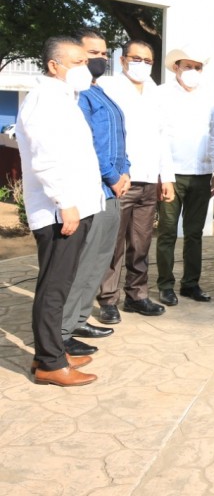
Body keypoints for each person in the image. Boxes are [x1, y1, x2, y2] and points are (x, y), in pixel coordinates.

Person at [16, 36, 104, 386]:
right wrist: (65, 204)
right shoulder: (43, 100)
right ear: (55, 65)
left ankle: (49, 352)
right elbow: (45, 159)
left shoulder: (65, 98)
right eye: (78, 61)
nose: (86, 68)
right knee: (53, 287)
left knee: (60, 284)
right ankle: (50, 363)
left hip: (75, 206)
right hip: (60, 210)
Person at [57, 29, 131, 356]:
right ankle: (63, 327)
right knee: (84, 263)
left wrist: (125, 169)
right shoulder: (76, 96)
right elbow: (88, 144)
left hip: (112, 188)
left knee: (100, 259)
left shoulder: (97, 90)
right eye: (92, 54)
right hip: (95, 188)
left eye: (104, 54)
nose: (99, 59)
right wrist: (113, 175)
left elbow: (117, 136)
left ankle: (80, 317)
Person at [97, 40, 175, 321]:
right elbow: (104, 137)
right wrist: (113, 174)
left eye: (147, 60)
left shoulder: (156, 93)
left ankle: (137, 295)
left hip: (149, 180)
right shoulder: (108, 88)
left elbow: (163, 136)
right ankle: (108, 299)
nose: (142, 64)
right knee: (113, 243)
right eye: (136, 58)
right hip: (121, 181)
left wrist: (166, 177)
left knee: (141, 243)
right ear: (122, 60)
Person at [155, 46, 214, 306]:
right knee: (168, 232)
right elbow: (158, 136)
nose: (192, 71)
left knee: (195, 233)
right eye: (187, 66)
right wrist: (165, 176)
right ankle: (165, 285)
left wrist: (213, 169)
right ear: (176, 68)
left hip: (201, 175)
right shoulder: (161, 95)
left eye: (197, 67)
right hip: (172, 175)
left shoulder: (207, 98)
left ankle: (190, 284)